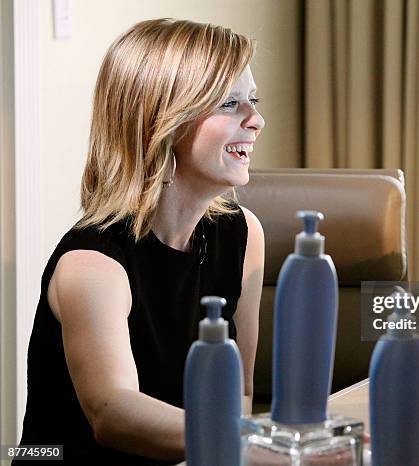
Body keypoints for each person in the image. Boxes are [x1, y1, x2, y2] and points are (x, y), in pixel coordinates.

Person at [17, 18, 265, 465]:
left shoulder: (243, 235)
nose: (257, 120)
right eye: (230, 104)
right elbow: (114, 414)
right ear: (163, 121)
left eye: (254, 100)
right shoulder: (91, 264)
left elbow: (241, 392)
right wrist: (256, 445)